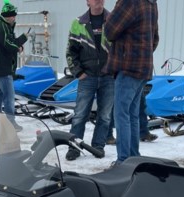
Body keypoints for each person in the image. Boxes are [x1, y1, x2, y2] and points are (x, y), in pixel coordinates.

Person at [104, 0, 159, 165]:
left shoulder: (129, 2)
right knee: (132, 115)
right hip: (143, 67)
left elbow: (109, 31)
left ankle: (123, 160)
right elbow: (154, 38)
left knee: (121, 115)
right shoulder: (151, 3)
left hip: (128, 67)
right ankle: (134, 157)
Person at [65, 0, 114, 160]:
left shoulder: (113, 20)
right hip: (87, 77)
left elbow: (121, 49)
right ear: (88, 2)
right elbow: (70, 52)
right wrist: (78, 72)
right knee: (79, 115)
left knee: (105, 116)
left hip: (108, 77)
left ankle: (98, 147)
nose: (98, 0)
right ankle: (74, 147)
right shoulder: (78, 23)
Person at [0, 3, 28, 116]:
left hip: (1, 67)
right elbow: (7, 44)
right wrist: (19, 45)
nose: (14, 18)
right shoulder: (1, 26)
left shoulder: (4, 26)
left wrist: (20, 43)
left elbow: (10, 42)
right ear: (8, 16)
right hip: (2, 68)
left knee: (0, 95)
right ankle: (10, 123)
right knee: (9, 97)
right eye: (13, 16)